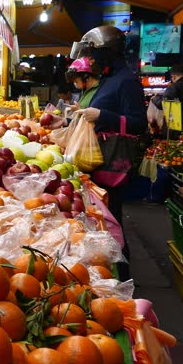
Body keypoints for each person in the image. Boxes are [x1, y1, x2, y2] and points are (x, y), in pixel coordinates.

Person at [69, 25, 146, 279]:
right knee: (106, 220)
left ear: (107, 52)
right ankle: (112, 271)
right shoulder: (109, 79)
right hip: (99, 160)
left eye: (93, 54)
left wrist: (103, 115)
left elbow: (138, 123)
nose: (90, 60)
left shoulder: (126, 81)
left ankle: (122, 276)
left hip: (114, 162)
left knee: (113, 221)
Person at [152, 64, 183, 133]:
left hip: (178, 130)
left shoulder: (174, 87)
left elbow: (164, 104)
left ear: (173, 77)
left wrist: (155, 98)